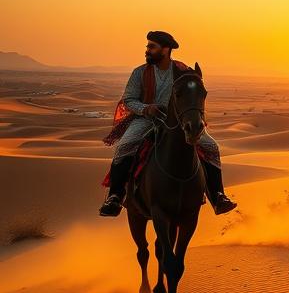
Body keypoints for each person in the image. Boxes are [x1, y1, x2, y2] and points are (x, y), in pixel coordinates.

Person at [99, 30, 237, 216]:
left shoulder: (182, 71)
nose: (147, 50)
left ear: (166, 49)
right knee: (124, 145)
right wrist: (147, 108)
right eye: (148, 46)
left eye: (152, 47)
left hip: (178, 120)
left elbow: (193, 93)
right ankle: (115, 196)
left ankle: (218, 196)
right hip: (146, 120)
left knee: (211, 146)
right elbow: (129, 100)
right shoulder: (139, 72)